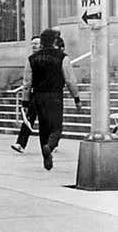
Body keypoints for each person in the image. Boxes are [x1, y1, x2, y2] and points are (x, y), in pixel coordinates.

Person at [22, 29, 81, 170]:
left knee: (43, 128)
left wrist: (25, 102)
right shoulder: (63, 58)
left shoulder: (32, 59)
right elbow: (70, 80)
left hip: (38, 97)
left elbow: (26, 83)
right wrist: (76, 98)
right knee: (56, 128)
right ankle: (50, 146)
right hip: (55, 96)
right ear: (55, 41)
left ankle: (45, 155)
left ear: (42, 42)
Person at [11, 35, 41, 154]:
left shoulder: (49, 60)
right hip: (35, 94)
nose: (34, 46)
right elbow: (27, 81)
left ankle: (52, 143)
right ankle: (20, 143)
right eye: (32, 44)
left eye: (36, 44)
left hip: (47, 94)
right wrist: (25, 99)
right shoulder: (31, 60)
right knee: (28, 119)